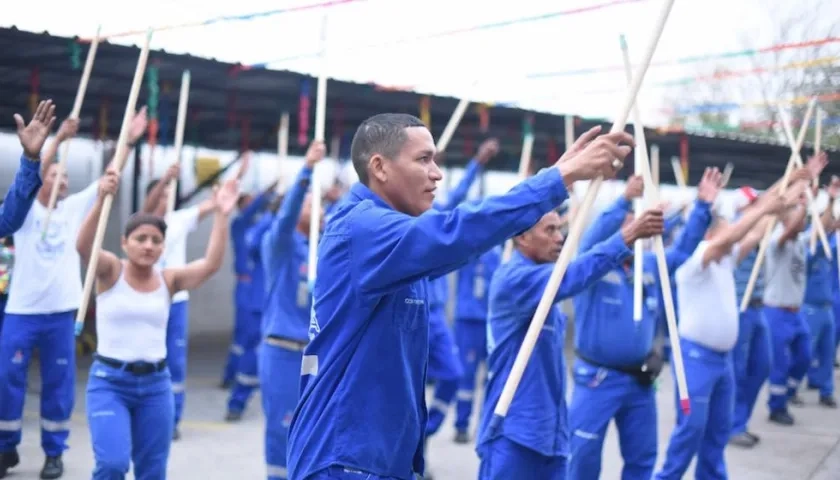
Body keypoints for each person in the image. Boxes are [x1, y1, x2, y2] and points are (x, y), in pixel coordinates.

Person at [286, 113, 634, 480]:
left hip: (374, 458)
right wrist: (558, 179)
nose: (436, 173)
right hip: (345, 460)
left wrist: (556, 176)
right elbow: (457, 230)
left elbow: (462, 235)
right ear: (380, 167)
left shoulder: (393, 237)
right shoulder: (362, 228)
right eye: (423, 159)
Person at [0, 106, 146, 480]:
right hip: (21, 311)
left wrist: (127, 140)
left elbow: (109, 176)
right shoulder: (26, 211)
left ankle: (54, 452)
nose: (62, 181)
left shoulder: (73, 208)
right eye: (55, 174)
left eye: (66, 176)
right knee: (7, 381)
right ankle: (5, 448)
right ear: (42, 179)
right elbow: (26, 183)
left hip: (62, 312)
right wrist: (56, 141)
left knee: (59, 386)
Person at [476, 205, 665, 479]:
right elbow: (573, 275)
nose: (560, 238)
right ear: (521, 237)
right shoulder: (514, 280)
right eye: (549, 230)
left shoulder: (543, 282)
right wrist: (627, 235)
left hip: (550, 435)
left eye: (560, 229)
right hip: (513, 433)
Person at [77, 166, 237, 479]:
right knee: (111, 465)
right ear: (125, 243)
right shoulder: (111, 271)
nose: (148, 245)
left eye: (155, 240)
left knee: (152, 471)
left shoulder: (169, 279)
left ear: (163, 247)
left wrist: (222, 215)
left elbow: (210, 265)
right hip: (110, 383)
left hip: (155, 386)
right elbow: (84, 246)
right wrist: (100, 199)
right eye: (140, 239)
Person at [566, 169, 720, 480]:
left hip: (640, 381)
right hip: (598, 380)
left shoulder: (649, 267)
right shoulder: (591, 270)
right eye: (627, 226)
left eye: (636, 226)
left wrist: (702, 207)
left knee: (643, 457)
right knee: (581, 457)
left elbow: (682, 250)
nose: (633, 231)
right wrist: (625, 200)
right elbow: (591, 240)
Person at [655, 183, 790, 480]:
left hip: (722, 361)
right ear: (710, 234)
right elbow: (736, 235)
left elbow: (755, 233)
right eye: (727, 230)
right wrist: (763, 210)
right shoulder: (696, 259)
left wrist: (791, 188)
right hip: (696, 358)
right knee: (691, 429)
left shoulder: (725, 261)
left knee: (717, 431)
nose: (733, 236)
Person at [426, 138, 499, 453]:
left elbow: (454, 200)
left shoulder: (496, 253)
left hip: (440, 318)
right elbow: (456, 198)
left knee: (454, 376)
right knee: (409, 387)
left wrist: (478, 164)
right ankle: (415, 454)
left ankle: (424, 435)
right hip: (440, 319)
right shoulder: (414, 222)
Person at [259, 141, 326, 479]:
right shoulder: (280, 245)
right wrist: (308, 171)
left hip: (314, 355)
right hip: (282, 350)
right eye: (314, 204)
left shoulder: (323, 251)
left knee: (316, 430)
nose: (320, 210)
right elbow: (287, 217)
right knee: (282, 427)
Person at [142, 161, 219, 439]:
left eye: (166, 195)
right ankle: (149, 414)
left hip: (176, 301)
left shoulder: (179, 219)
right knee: (151, 358)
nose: (163, 200)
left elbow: (210, 206)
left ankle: (172, 420)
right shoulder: (141, 223)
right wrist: (164, 179)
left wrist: (222, 197)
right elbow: (147, 208)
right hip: (149, 300)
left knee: (175, 362)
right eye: (159, 195)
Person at [764, 153, 829, 426]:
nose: (800, 219)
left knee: (803, 356)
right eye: (796, 213)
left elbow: (821, 228)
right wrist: (803, 196)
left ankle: (789, 392)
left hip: (796, 312)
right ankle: (776, 406)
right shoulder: (777, 240)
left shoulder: (802, 242)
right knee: (778, 363)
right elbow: (791, 228)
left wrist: (825, 202)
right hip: (776, 311)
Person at [221, 183, 278, 389]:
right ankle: (231, 375)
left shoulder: (263, 228)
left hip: (259, 286)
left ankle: (239, 376)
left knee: (250, 336)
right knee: (244, 334)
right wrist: (266, 192)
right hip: (246, 286)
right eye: (249, 202)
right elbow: (255, 209)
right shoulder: (240, 225)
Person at [796, 177, 840, 408]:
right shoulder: (810, 248)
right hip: (810, 307)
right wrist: (831, 200)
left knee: (826, 353)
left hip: (827, 308)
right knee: (806, 352)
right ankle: (793, 386)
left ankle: (826, 391)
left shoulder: (829, 249)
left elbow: (829, 228)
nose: (831, 225)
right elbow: (821, 228)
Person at [450, 245, 500, 444]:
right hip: (469, 319)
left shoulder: (500, 248)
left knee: (492, 376)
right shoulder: (470, 245)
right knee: (466, 374)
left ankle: (486, 426)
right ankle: (461, 425)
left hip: (492, 320)